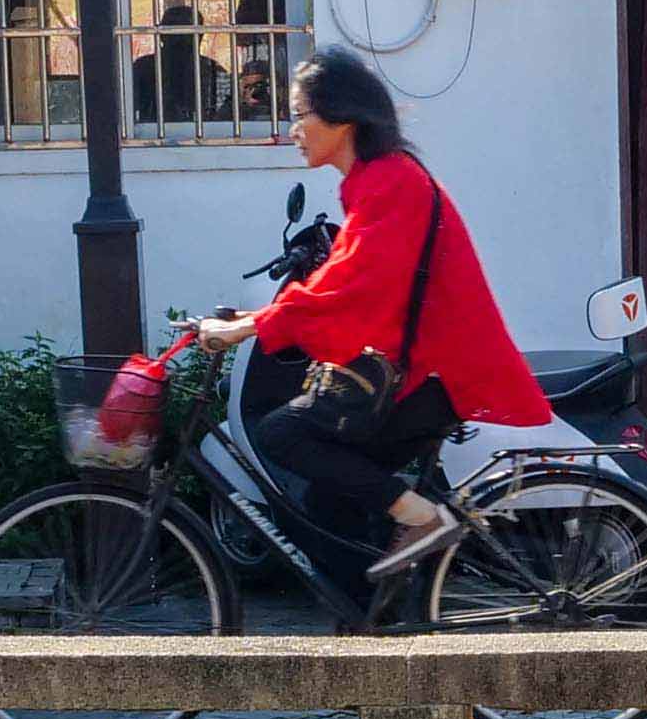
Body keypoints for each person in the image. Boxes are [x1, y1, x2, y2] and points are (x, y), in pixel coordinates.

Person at [194, 50, 551, 581]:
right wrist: (261, 315)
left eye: (299, 114)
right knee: (327, 502)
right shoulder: (373, 182)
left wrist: (250, 326)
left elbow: (349, 288)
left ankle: (421, 518)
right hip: (423, 368)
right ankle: (368, 628)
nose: (292, 129)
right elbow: (343, 279)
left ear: (341, 117)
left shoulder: (392, 183)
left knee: (282, 435)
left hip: (441, 372)